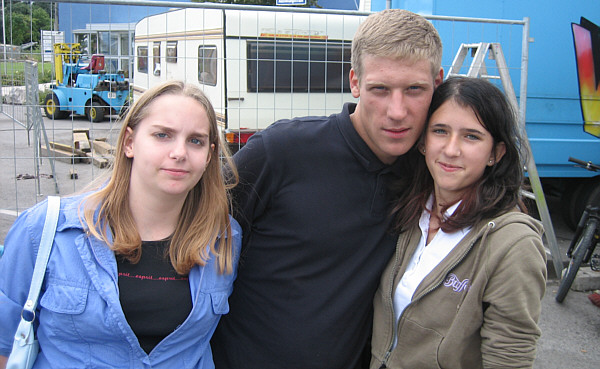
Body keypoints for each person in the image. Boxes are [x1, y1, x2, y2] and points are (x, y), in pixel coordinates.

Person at [211, 9, 444, 369]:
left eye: (414, 89)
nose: (397, 112)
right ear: (354, 82)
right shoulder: (281, 152)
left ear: (438, 83)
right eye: (380, 89)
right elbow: (189, 230)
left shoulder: (430, 174)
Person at [0, 81, 241, 368]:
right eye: (163, 135)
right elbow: (6, 343)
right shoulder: (44, 230)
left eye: (196, 141)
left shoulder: (225, 240)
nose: (180, 152)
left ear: (209, 156)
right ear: (129, 142)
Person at [370, 76, 547, 369]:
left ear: (496, 153)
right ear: (424, 142)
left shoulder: (513, 244)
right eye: (440, 131)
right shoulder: (409, 212)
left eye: (471, 136)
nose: (451, 150)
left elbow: (509, 356)